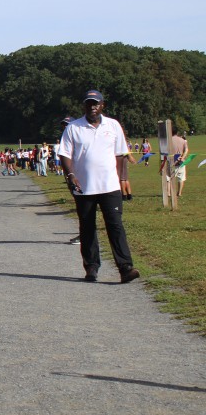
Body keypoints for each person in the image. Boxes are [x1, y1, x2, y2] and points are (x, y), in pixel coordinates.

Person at [58, 90, 139, 283]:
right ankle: (91, 267)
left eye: (96, 103)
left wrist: (120, 178)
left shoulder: (113, 125)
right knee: (87, 227)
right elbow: (64, 154)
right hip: (84, 187)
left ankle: (125, 268)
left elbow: (120, 154)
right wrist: (70, 175)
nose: (92, 107)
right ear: (84, 106)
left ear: (102, 105)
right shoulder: (73, 128)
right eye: (89, 103)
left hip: (110, 186)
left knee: (115, 226)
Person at [160, 131, 190, 197]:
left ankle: (168, 193)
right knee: (181, 178)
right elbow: (186, 150)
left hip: (171, 161)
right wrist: (182, 157)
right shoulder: (183, 140)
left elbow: (164, 152)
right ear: (177, 133)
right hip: (181, 161)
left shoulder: (168, 141)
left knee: (168, 178)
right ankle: (179, 193)